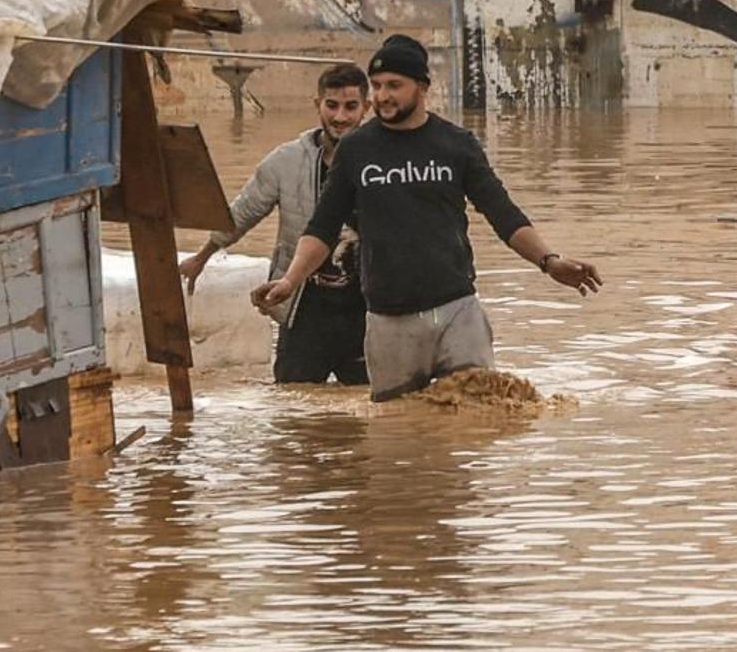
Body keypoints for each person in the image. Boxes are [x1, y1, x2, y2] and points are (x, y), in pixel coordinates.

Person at [251, 35, 602, 402]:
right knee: (398, 436)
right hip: (389, 320)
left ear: (422, 87)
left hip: (457, 310)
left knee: (479, 415)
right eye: (378, 86)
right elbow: (322, 228)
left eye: (394, 86)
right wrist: (290, 281)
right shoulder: (356, 149)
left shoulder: (456, 144)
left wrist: (549, 262)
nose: (383, 96)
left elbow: (503, 214)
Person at [179, 63, 372, 385]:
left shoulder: (383, 161)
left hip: (367, 307)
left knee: (373, 409)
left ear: (366, 107)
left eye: (351, 107)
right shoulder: (287, 161)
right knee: (293, 409)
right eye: (332, 105)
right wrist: (202, 257)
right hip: (303, 305)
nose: (340, 117)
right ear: (317, 105)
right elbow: (243, 212)